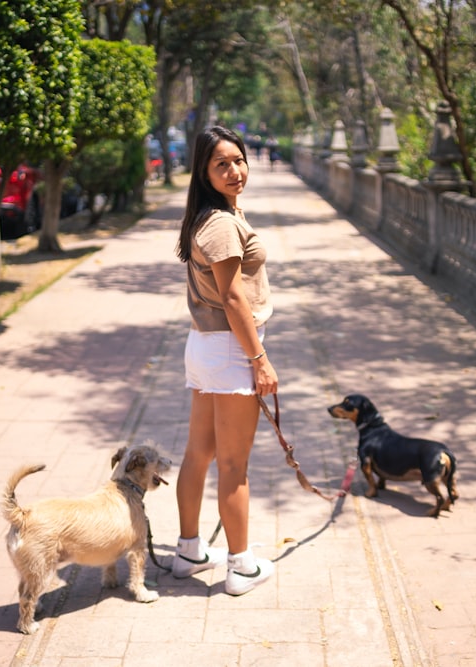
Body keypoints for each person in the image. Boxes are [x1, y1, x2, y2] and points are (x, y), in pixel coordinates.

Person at [172, 125, 277, 595]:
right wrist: (259, 358)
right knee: (233, 465)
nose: (235, 170)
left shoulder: (214, 215)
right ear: (204, 172)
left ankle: (189, 551)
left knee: (201, 453)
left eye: (238, 160)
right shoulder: (219, 224)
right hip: (231, 348)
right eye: (222, 164)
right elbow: (234, 298)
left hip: (208, 346)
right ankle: (240, 567)